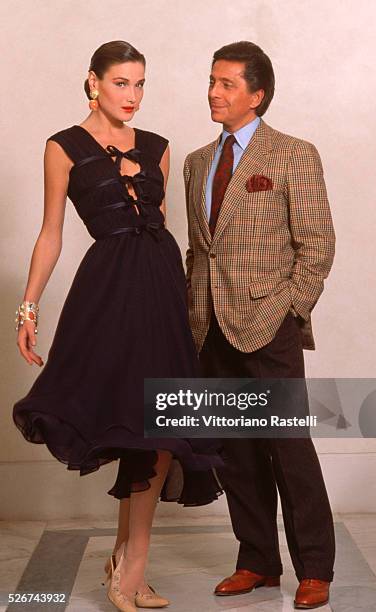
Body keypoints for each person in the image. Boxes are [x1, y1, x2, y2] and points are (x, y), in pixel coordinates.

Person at [13, 40, 223, 612]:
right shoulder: (63, 147)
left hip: (160, 290)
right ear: (93, 82)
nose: (131, 96)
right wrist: (27, 308)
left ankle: (132, 565)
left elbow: (165, 228)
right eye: (121, 83)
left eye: (139, 85)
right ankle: (126, 566)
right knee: (130, 422)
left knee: (160, 428)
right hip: (107, 294)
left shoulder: (157, 147)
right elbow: (51, 233)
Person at [183, 41, 336, 610]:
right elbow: (201, 252)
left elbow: (317, 244)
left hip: (268, 324)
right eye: (212, 81)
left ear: (257, 94)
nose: (214, 92)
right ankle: (257, 562)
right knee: (236, 451)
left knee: (288, 447)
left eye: (226, 84)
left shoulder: (292, 154)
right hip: (210, 326)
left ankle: (314, 568)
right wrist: (187, 315)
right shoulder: (198, 161)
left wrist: (287, 309)